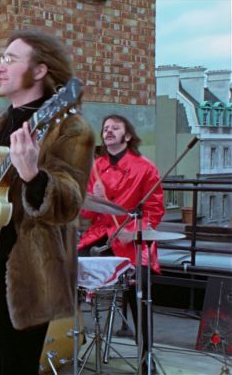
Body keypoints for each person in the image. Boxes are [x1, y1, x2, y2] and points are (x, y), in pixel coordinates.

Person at [0, 29, 95, 374]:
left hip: (33, 276)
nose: (0, 67)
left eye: (12, 59)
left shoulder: (69, 128)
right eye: (1, 59)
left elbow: (70, 203)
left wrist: (34, 176)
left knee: (16, 367)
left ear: (40, 70)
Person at [78, 114, 164, 373]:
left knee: (140, 292)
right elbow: (86, 215)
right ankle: (66, 339)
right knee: (65, 271)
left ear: (127, 136)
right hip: (99, 237)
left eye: (115, 127)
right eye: (105, 128)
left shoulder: (145, 168)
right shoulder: (95, 167)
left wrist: (132, 231)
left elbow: (155, 211)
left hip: (132, 241)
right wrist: (92, 200)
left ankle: (145, 355)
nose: (109, 131)